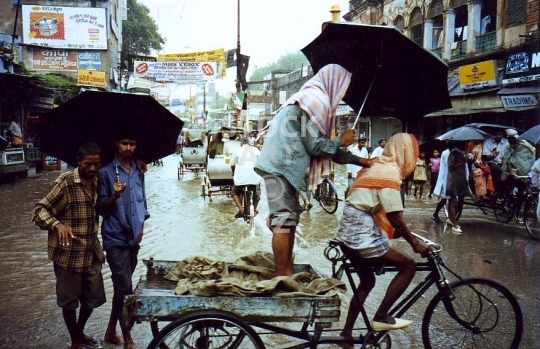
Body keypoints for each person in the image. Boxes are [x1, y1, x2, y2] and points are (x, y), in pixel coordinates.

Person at [255, 64, 373, 277]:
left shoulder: (312, 101)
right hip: (279, 165)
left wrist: (362, 161)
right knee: (283, 220)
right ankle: (282, 274)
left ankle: (285, 271)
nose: (344, 92)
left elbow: (326, 149)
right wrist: (340, 140)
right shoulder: (313, 101)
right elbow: (316, 147)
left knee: (289, 220)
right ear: (334, 83)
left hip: (283, 166)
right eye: (344, 86)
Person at [335, 133, 431, 335]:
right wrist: (414, 243)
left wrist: (396, 232)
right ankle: (381, 316)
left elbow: (371, 203)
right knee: (408, 266)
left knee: (368, 281)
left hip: (349, 228)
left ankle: (345, 335)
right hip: (360, 230)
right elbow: (394, 215)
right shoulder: (390, 172)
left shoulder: (377, 166)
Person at [32, 142, 105, 349]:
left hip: (91, 249)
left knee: (92, 298)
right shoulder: (65, 182)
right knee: (69, 301)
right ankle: (74, 340)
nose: (92, 169)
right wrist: (57, 225)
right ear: (78, 162)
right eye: (88, 164)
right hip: (68, 253)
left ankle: (79, 331)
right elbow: (39, 211)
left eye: (96, 164)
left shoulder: (100, 180)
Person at [96, 130, 150, 349]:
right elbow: (100, 208)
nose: (128, 148)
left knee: (121, 288)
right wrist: (115, 195)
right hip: (115, 238)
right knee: (126, 288)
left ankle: (110, 330)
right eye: (124, 143)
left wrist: (142, 227)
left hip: (133, 238)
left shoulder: (139, 169)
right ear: (116, 144)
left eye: (133, 143)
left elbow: (142, 201)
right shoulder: (106, 173)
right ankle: (127, 336)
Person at [500, 129, 535, 223]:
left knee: (521, 194)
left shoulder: (525, 145)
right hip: (511, 168)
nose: (512, 141)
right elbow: (507, 160)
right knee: (504, 180)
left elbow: (531, 156)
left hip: (524, 170)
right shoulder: (508, 147)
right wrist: (511, 172)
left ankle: (517, 213)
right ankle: (505, 197)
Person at [231, 137, 262, 218]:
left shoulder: (237, 150)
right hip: (254, 178)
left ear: (241, 144)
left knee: (234, 192)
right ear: (249, 144)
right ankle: (254, 209)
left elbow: (232, 164)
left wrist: (234, 173)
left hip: (240, 179)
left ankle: (241, 209)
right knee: (257, 193)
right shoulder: (255, 150)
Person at [446, 141, 473, 234]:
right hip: (454, 181)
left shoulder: (464, 154)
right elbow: (450, 168)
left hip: (462, 181)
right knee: (453, 202)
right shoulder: (453, 153)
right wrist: (462, 162)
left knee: (460, 203)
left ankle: (451, 219)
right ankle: (454, 225)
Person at [431, 143, 450, 224]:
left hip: (450, 177)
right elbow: (449, 165)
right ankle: (435, 214)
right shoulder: (445, 153)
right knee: (444, 199)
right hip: (445, 177)